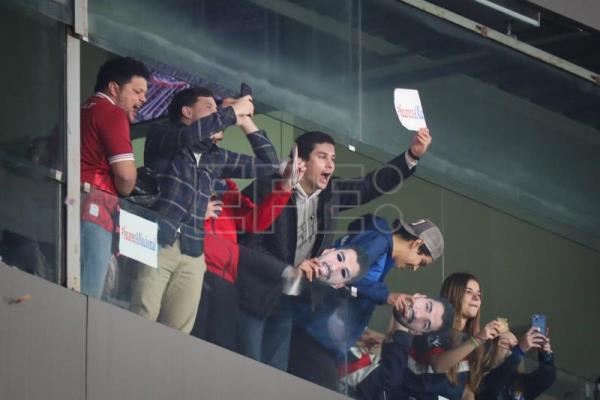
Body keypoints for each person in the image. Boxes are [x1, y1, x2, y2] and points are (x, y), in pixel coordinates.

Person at [237, 127, 432, 370]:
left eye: (333, 159)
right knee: (244, 368)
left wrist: (411, 156)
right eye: (322, 157)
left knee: (273, 375)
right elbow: (245, 241)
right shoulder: (270, 187)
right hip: (253, 293)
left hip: (290, 299)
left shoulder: (331, 195)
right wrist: (288, 268)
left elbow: (371, 185)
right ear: (301, 160)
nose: (330, 165)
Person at [129, 87, 280, 333]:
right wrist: (232, 111)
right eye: (209, 108)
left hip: (193, 250)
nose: (216, 114)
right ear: (187, 111)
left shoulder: (214, 156)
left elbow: (269, 164)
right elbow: (188, 136)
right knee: (142, 315)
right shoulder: (163, 135)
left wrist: (244, 121)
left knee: (178, 332)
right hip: (156, 240)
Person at [288, 214, 445, 389]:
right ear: (417, 244)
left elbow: (352, 287)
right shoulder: (379, 242)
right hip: (312, 336)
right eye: (421, 262)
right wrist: (387, 296)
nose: (415, 268)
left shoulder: (381, 248)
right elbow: (343, 273)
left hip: (317, 336)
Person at [190, 158, 307, 351]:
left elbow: (254, 223)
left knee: (219, 354)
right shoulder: (184, 180)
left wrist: (286, 186)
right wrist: (194, 212)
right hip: (195, 270)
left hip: (226, 283)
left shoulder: (225, 190)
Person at [80, 56, 149, 298]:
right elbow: (126, 176)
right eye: (137, 91)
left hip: (71, 201)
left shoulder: (83, 109)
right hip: (93, 209)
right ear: (113, 88)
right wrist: (126, 191)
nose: (143, 99)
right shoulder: (112, 113)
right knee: (88, 296)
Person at [404, 272, 502, 400]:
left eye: (479, 294)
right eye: (469, 292)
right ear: (453, 294)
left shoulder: (470, 339)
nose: (477, 298)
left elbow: (467, 391)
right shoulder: (431, 328)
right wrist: (478, 339)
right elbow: (438, 365)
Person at [352, 297, 455, 400]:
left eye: (425, 324)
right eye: (427, 307)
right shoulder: (379, 294)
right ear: (420, 296)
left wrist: (401, 331)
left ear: (417, 332)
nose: (418, 315)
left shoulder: (394, 369)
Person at [478, 328, 555, 400]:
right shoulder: (479, 378)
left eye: (515, 345)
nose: (512, 348)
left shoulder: (518, 382)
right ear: (490, 350)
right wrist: (520, 349)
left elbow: (546, 378)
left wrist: (545, 356)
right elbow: (494, 383)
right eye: (505, 343)